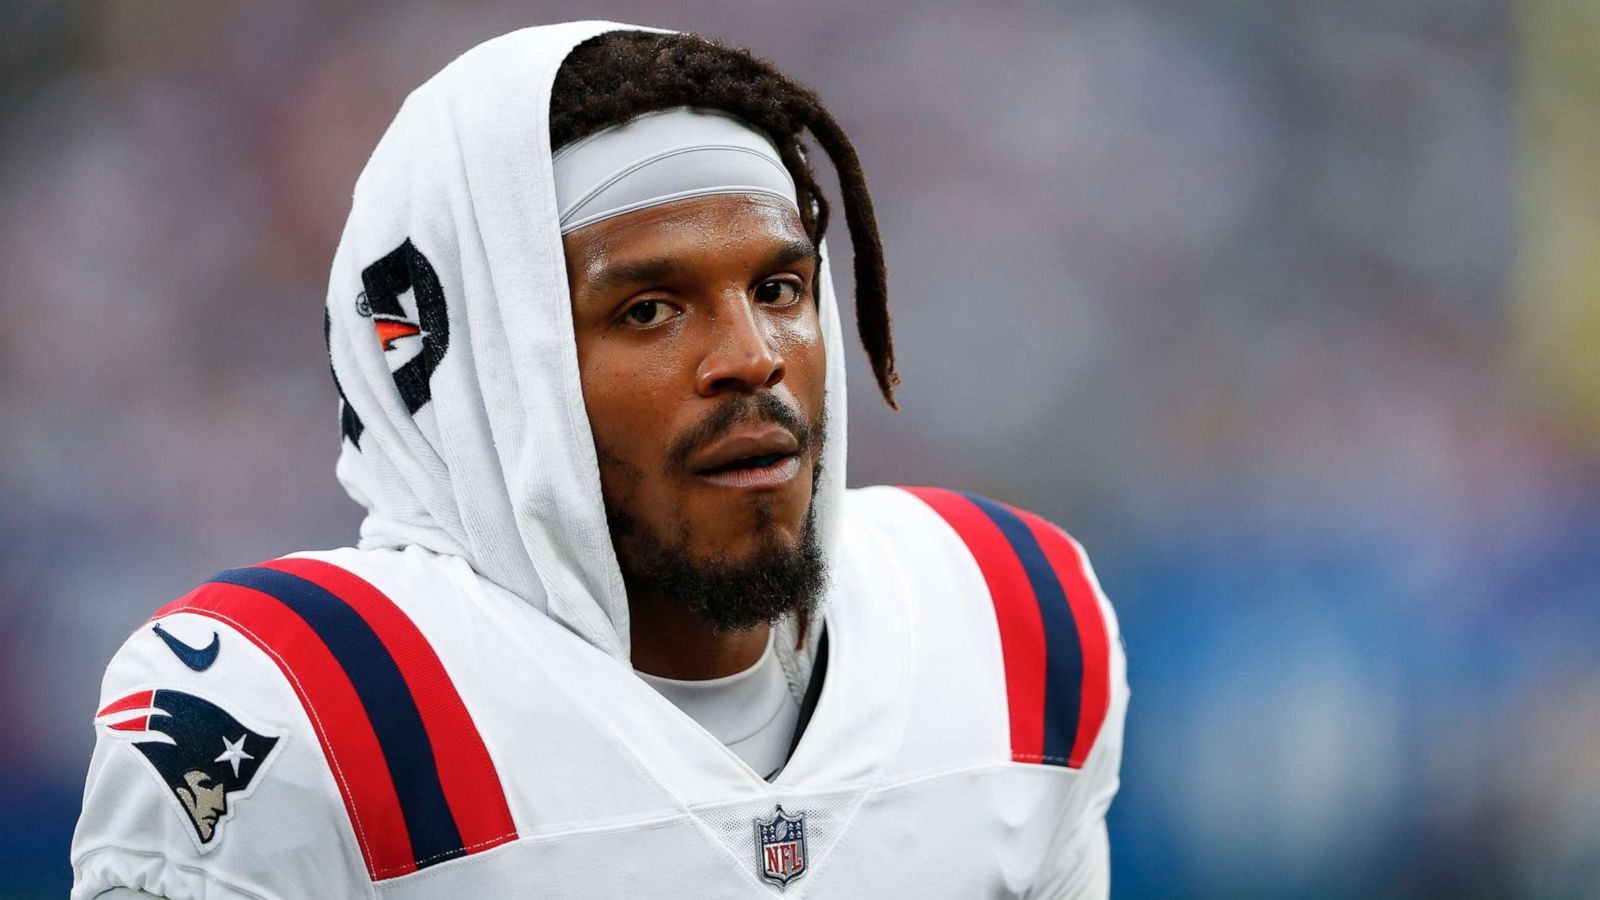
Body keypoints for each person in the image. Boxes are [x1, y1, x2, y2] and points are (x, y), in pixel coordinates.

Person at [71, 20, 1128, 899]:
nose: (752, 358)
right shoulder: (292, 704)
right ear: (478, 367)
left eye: (777, 288)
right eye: (649, 309)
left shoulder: (1007, 621)